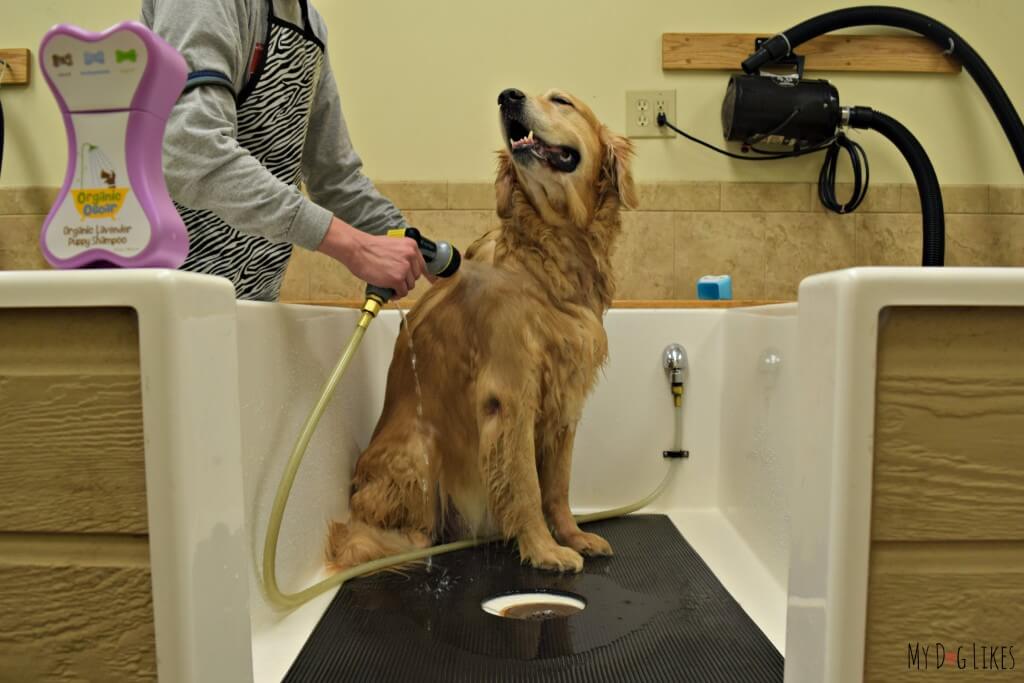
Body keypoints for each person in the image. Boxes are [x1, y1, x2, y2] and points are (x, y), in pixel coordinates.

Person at [142, 0, 427, 301]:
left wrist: (421, 251)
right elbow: (191, 151)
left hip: (248, 309)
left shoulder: (311, 27)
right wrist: (354, 247)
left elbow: (337, 181)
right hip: (164, 307)